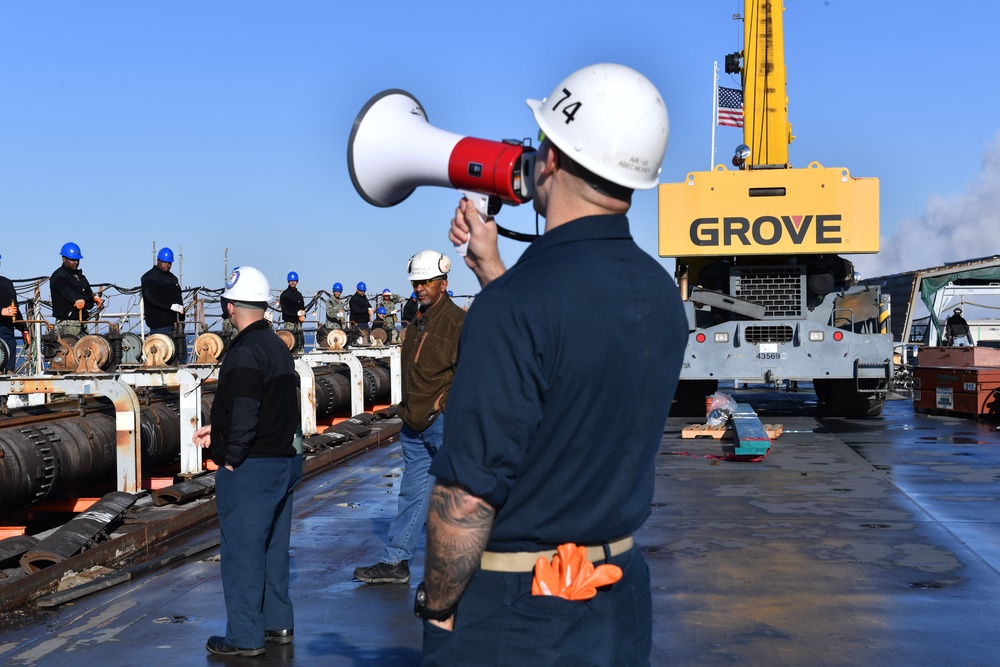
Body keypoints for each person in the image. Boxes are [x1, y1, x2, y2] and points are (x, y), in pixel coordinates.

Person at [419, 64, 687, 665]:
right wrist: (494, 272)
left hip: (520, 611)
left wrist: (437, 609)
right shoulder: (660, 296)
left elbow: (464, 501)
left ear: (551, 159)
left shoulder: (515, 308)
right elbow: (574, 353)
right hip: (620, 601)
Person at [193, 265, 302, 657]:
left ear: (229, 305)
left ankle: (244, 636)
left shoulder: (243, 352)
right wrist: (216, 432)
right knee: (273, 548)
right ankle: (277, 624)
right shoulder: (276, 346)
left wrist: (230, 455)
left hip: (251, 469)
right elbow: (271, 409)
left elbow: (244, 409)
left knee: (242, 553)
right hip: (282, 463)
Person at [353, 250, 465, 585]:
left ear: (443, 283)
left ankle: (475, 565)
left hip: (442, 422)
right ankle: (396, 561)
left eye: (427, 281)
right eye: (417, 282)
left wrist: (445, 404)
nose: (420, 288)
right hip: (415, 423)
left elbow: (471, 370)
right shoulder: (418, 321)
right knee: (412, 495)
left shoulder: (457, 323)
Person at [49, 242, 101, 337]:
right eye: (72, 259)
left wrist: (87, 299)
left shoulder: (81, 278)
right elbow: (72, 296)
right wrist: (92, 296)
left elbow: (89, 304)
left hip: (83, 323)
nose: (76, 262)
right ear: (64, 259)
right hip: (66, 324)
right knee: (68, 350)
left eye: (77, 259)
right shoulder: (58, 277)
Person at [141, 247, 185, 335]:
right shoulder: (150, 277)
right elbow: (151, 297)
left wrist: (181, 315)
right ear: (158, 261)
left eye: (169, 262)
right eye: (165, 262)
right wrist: (171, 306)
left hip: (177, 323)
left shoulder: (173, 278)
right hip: (160, 326)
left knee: (180, 348)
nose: (167, 265)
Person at [0, 254, 30, 373]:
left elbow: (15, 310)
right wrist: (2, 311)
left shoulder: (6, 284)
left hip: (7, 336)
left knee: (9, 377)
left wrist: (24, 329)